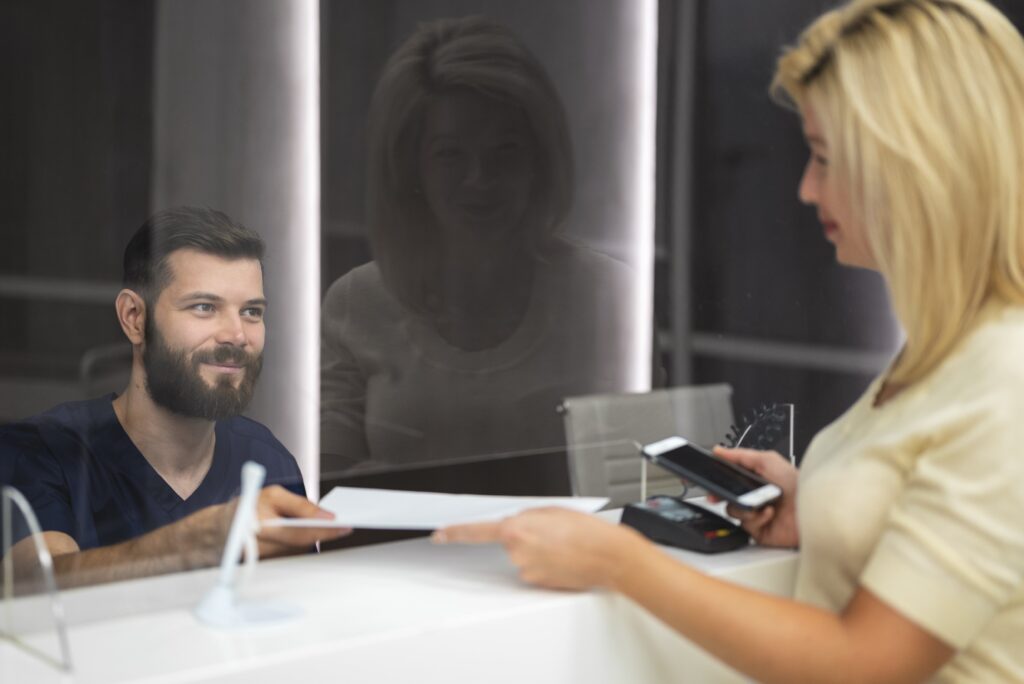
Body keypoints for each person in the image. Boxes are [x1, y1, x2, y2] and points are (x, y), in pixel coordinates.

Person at [435, 0, 1024, 680]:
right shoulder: (942, 354)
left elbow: (865, 663)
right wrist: (818, 507)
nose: (806, 189)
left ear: (918, 168)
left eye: (825, 159)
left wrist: (618, 561)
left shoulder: (1004, 381)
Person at [320, 16, 634, 476]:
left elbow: (644, 479)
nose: (480, 180)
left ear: (540, 158)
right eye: (451, 155)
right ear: (412, 168)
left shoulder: (606, 294)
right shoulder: (357, 301)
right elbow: (322, 479)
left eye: (505, 151)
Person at [2, 207, 348, 588]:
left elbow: (299, 600)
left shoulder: (268, 459)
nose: (237, 335)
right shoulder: (43, 451)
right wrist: (196, 543)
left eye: (251, 311)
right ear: (134, 317)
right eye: (204, 307)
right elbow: (35, 586)